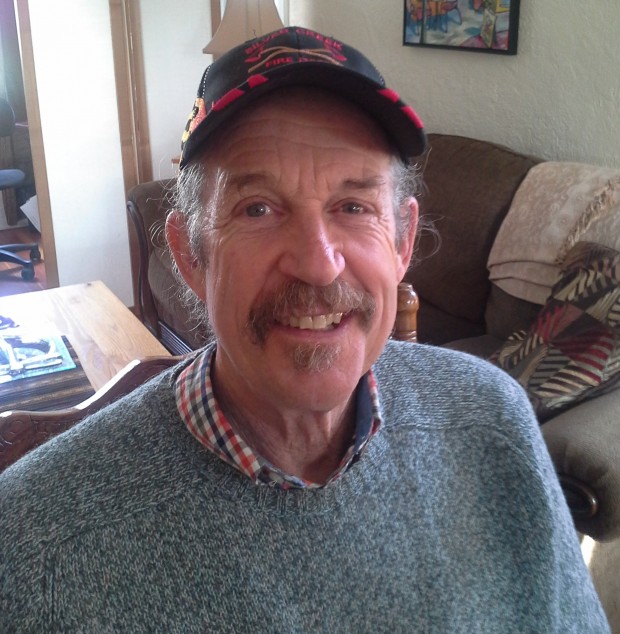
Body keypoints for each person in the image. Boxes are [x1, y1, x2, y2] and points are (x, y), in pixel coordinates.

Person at [0, 27, 609, 633]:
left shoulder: (492, 421)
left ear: (401, 242)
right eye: (258, 209)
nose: (319, 263)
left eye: (353, 207)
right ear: (190, 255)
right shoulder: (37, 542)